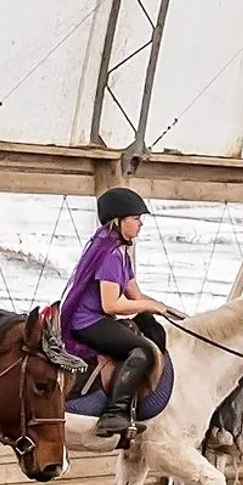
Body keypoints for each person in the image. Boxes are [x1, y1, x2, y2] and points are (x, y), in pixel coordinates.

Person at [61, 187, 183, 437]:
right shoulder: (110, 254)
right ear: (119, 220)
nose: (140, 225)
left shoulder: (121, 252)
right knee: (142, 351)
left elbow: (135, 296)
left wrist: (166, 308)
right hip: (88, 322)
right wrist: (150, 306)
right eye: (136, 218)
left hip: (99, 318)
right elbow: (111, 305)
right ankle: (114, 413)